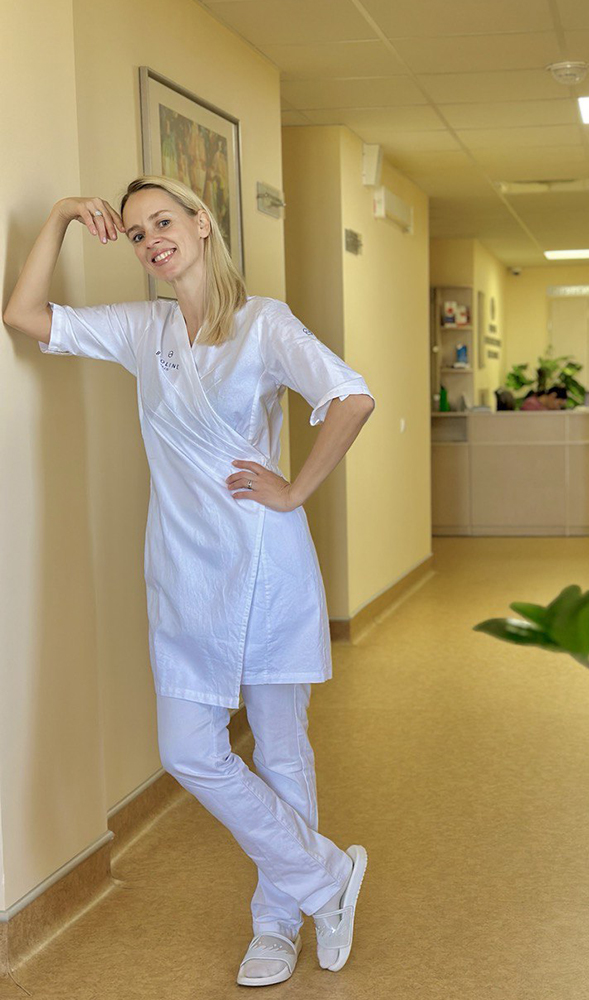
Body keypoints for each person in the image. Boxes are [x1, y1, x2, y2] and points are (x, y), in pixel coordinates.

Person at [3, 176, 374, 987]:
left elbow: (350, 396)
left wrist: (295, 488)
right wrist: (66, 214)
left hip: (266, 565)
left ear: (202, 226)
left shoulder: (263, 323)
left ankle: (276, 923)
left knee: (280, 748)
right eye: (136, 234)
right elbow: (24, 317)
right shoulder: (145, 331)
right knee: (189, 752)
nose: (151, 240)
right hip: (183, 570)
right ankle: (323, 878)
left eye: (163, 221)